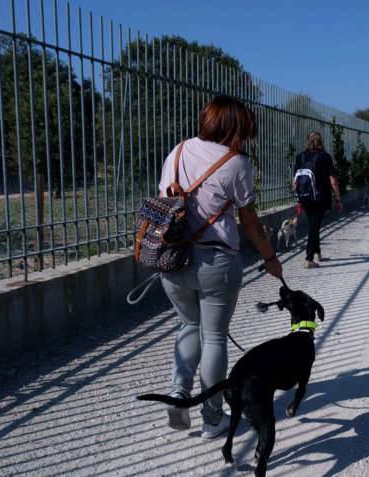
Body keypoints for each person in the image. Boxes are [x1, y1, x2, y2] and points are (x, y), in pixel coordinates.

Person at [156, 95, 283, 437]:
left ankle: (179, 392)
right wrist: (270, 259)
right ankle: (213, 419)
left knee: (187, 325)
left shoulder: (178, 150)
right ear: (236, 127)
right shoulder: (237, 162)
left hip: (172, 257)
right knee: (213, 337)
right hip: (216, 260)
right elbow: (250, 223)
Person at [293, 131, 343, 269]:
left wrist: (299, 196)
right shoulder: (325, 157)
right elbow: (332, 180)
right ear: (321, 141)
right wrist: (338, 199)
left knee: (313, 224)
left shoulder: (300, 156)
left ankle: (318, 252)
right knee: (314, 226)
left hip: (305, 197)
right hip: (320, 197)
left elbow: (295, 182)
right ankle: (309, 258)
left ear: (307, 141)